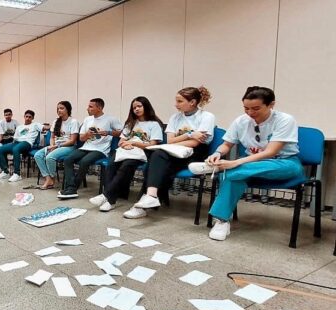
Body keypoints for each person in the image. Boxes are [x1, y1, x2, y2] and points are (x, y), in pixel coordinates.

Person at [194, 86, 302, 240]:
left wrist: (235, 162)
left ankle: (216, 171)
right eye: (246, 108)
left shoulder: (285, 120)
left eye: (256, 108)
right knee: (234, 175)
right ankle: (222, 221)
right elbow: (226, 144)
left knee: (234, 170)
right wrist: (217, 154)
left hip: (282, 164)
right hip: (247, 166)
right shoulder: (241, 121)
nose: (250, 113)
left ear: (271, 104)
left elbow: (270, 152)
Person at [124, 86, 215, 219]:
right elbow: (170, 140)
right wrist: (190, 134)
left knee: (157, 163)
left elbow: (195, 143)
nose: (175, 104)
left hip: (195, 153)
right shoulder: (175, 118)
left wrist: (181, 140)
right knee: (157, 157)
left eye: (180, 101)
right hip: (174, 151)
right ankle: (150, 197)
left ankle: (145, 203)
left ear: (192, 102)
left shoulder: (207, 116)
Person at [88, 96, 163, 212]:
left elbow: (152, 144)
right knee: (111, 165)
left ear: (146, 106)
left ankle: (106, 196)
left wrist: (134, 143)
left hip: (142, 152)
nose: (136, 109)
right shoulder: (130, 123)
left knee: (126, 166)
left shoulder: (154, 124)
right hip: (126, 150)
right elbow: (120, 141)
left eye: (139, 106)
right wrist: (126, 145)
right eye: (134, 107)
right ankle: (110, 200)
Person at [58, 98, 123, 199]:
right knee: (68, 159)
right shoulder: (87, 119)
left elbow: (122, 132)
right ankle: (71, 187)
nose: (87, 108)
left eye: (90, 106)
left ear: (99, 108)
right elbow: (81, 138)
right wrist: (88, 134)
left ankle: (72, 189)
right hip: (87, 147)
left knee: (84, 161)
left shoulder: (110, 119)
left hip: (101, 149)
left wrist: (108, 132)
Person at [33, 101, 80, 190]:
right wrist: (52, 146)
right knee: (38, 155)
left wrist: (56, 147)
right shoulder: (56, 121)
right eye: (58, 108)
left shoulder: (73, 122)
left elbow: (72, 141)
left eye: (62, 108)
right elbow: (52, 137)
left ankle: (52, 178)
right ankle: (48, 178)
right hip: (55, 146)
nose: (59, 110)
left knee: (49, 157)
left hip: (68, 146)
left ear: (68, 109)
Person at [0, 110, 42, 182]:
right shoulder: (20, 127)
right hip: (17, 142)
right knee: (0, 150)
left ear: (32, 118)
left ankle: (17, 174)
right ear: (24, 117)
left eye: (30, 117)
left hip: (27, 143)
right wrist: (11, 145)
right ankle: (5, 172)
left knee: (16, 149)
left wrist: (55, 127)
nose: (28, 118)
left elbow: (46, 127)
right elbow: (15, 138)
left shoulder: (35, 125)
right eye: (26, 116)